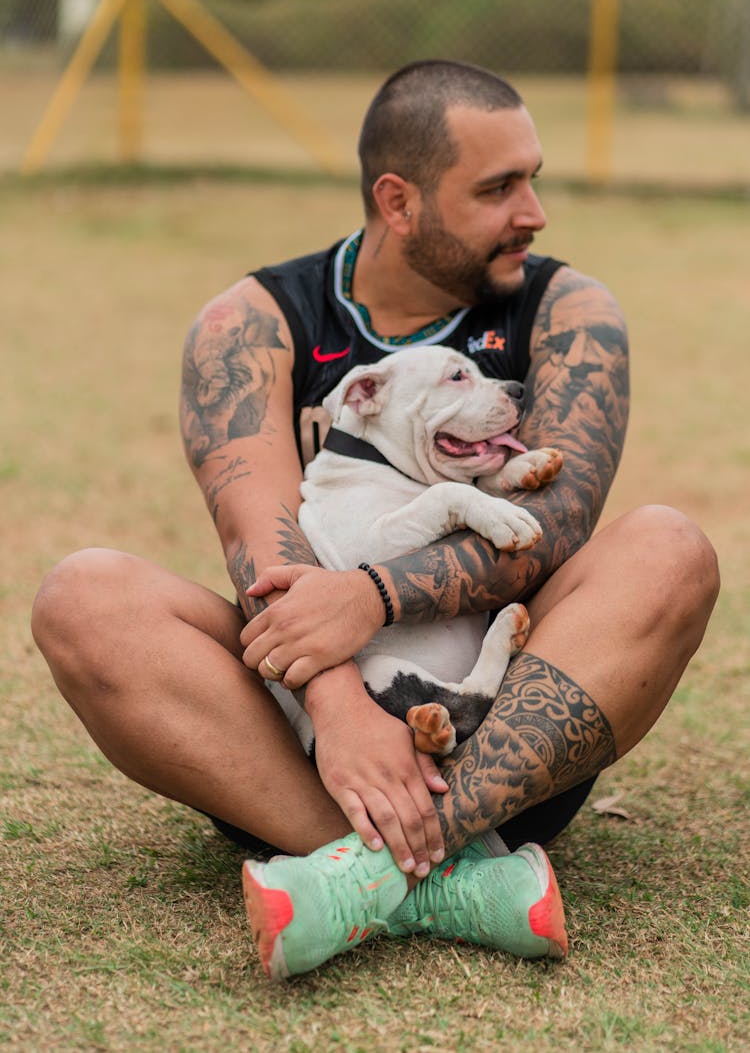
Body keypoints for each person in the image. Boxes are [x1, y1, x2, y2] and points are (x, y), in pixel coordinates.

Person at [31, 60, 719, 980]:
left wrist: (375, 596)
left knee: (670, 546)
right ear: (399, 200)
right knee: (83, 595)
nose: (534, 213)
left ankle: (361, 873)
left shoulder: (569, 311)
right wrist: (339, 706)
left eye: (534, 179)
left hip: (507, 732)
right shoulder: (255, 322)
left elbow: (549, 529)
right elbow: (261, 547)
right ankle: (454, 874)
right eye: (497, 188)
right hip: (308, 743)